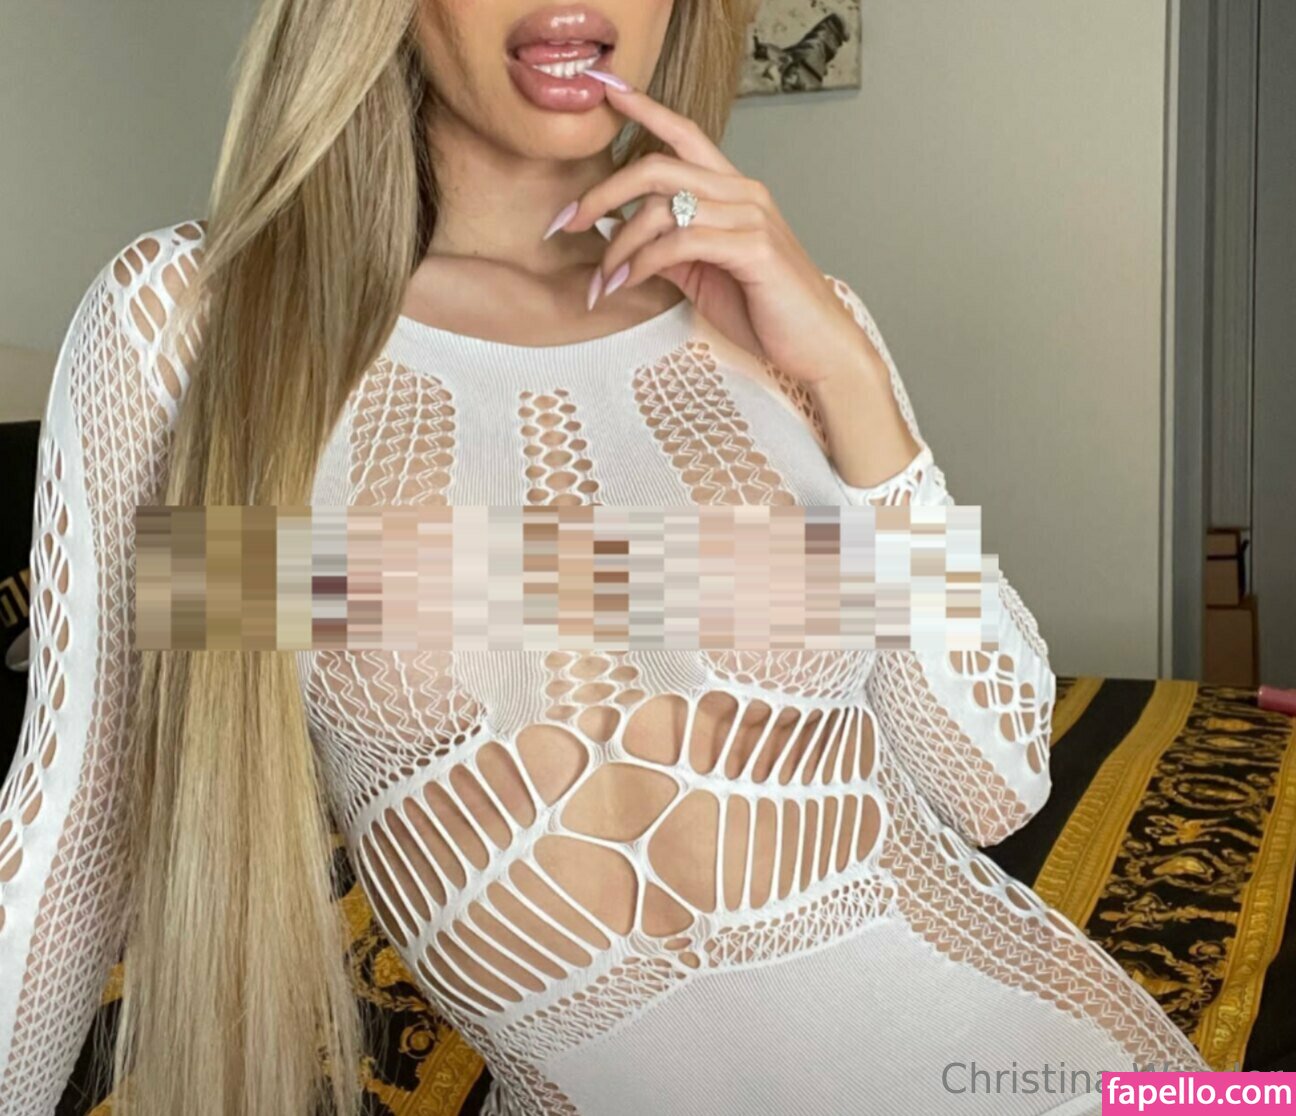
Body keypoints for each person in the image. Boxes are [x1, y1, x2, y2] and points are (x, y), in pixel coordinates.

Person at [0, 1, 1208, 1114]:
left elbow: (998, 784)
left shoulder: (781, 317)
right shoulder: (210, 330)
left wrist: (849, 379)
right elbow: (78, 836)